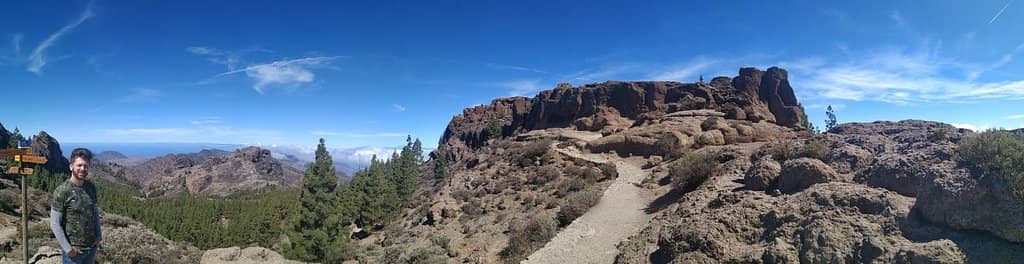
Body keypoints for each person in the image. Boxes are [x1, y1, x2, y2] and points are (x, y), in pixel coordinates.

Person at [49, 148, 101, 264]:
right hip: (74, 253)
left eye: (85, 166)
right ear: (71, 166)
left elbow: (94, 211)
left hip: (91, 248)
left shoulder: (90, 187)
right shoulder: (62, 191)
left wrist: (99, 234)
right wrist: (68, 249)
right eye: (79, 165)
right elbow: (55, 223)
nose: (83, 169)